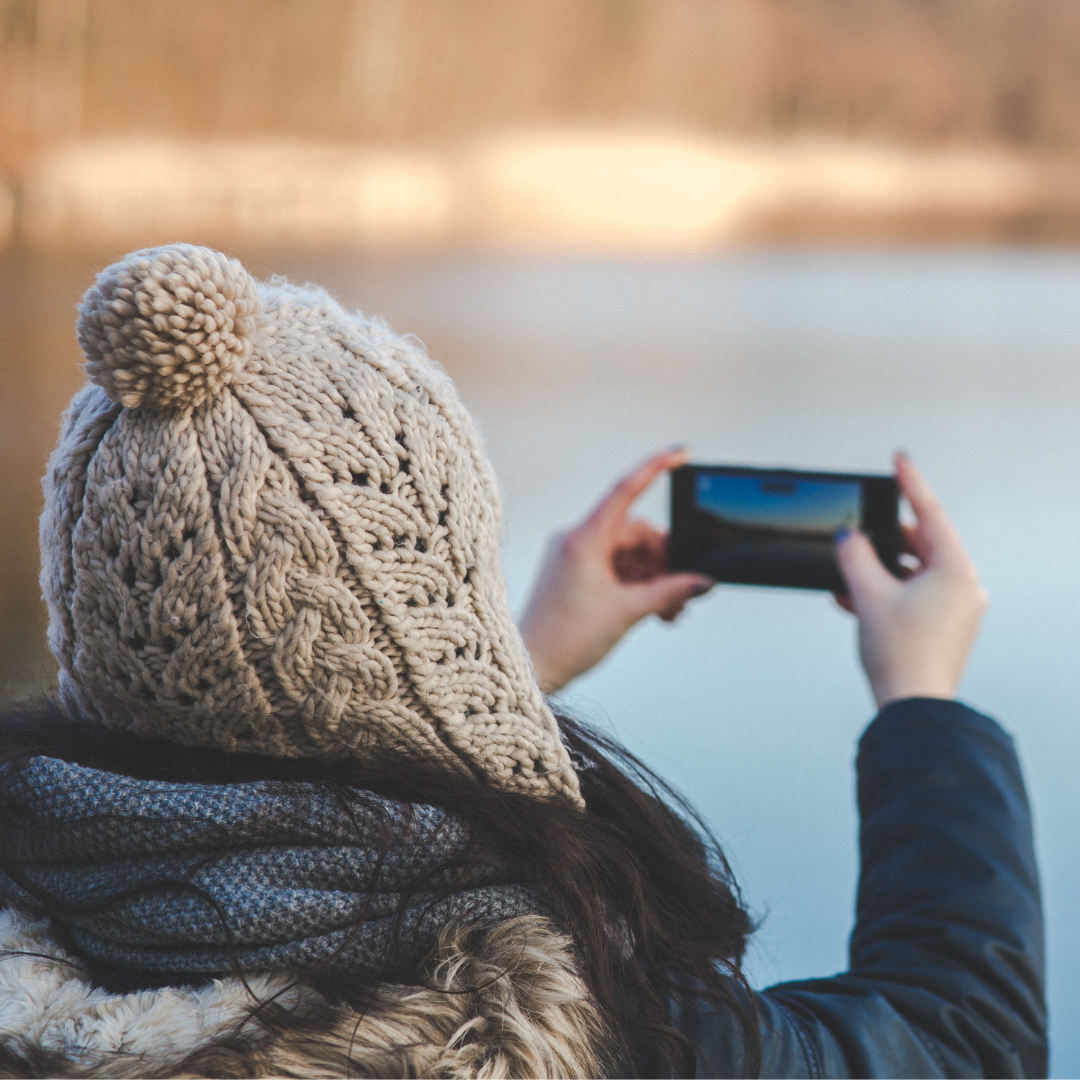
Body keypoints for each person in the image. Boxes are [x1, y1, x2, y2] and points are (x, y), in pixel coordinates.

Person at [0, 244, 1043, 1079]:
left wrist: (522, 660)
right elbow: (960, 1041)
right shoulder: (602, 1033)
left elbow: (266, 787)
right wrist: (924, 702)